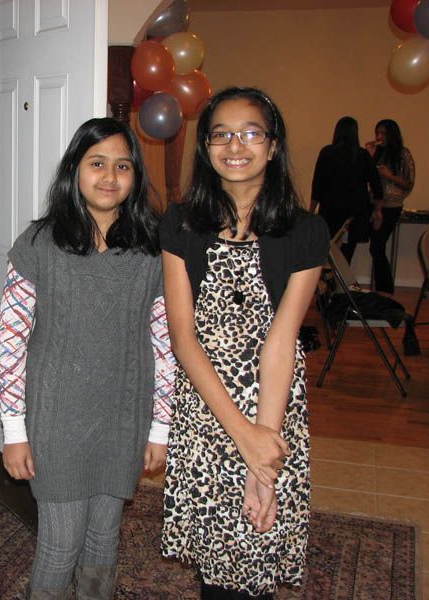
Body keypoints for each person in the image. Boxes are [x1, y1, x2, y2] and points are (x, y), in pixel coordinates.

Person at [0, 117, 176, 599]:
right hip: (56, 423)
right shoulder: (39, 244)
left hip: (122, 419)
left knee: (103, 539)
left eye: (122, 166)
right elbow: (10, 341)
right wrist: (14, 431)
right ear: (75, 169)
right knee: (60, 544)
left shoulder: (152, 251)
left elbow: (164, 344)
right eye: (97, 163)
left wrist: (159, 427)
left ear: (136, 176)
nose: (109, 176)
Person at [159, 87, 328, 600]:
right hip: (208, 410)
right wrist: (240, 435)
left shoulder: (305, 231)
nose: (236, 145)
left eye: (251, 133)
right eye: (221, 134)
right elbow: (184, 339)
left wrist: (263, 452)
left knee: (256, 553)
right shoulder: (180, 224)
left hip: (271, 406)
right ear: (206, 147)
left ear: (273, 146)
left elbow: (280, 343)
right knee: (217, 567)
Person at [310, 116, 383, 262]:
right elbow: (376, 184)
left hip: (330, 210)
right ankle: (340, 282)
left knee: (327, 253)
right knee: (346, 256)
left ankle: (328, 281)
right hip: (355, 213)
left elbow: (317, 184)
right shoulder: (362, 155)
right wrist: (377, 209)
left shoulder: (327, 152)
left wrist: (311, 212)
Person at [366, 119, 415, 294]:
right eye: (377, 133)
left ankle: (385, 290)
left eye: (383, 134)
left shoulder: (403, 154)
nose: (379, 137)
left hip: (392, 205)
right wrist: (370, 156)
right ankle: (381, 289)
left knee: (377, 247)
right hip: (375, 203)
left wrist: (390, 176)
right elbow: (368, 177)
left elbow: (409, 184)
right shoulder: (377, 152)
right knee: (375, 246)